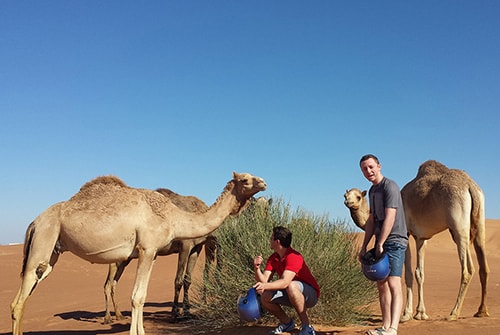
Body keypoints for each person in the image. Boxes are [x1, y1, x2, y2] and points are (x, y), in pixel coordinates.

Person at [358, 154, 408, 335]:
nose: (368, 171)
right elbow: (372, 220)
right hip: (381, 241)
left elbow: (390, 216)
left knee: (394, 283)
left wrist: (380, 242)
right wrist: (364, 246)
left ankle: (393, 329)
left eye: (371, 167)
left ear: (379, 166)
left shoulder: (390, 187)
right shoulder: (372, 191)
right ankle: (385, 326)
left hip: (394, 240)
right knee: (381, 284)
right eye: (364, 169)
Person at [253, 226, 320, 335]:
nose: (269, 240)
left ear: (277, 241)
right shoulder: (273, 258)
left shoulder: (294, 256)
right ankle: (287, 323)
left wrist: (264, 286)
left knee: (291, 285)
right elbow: (264, 280)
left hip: (310, 295)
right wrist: (257, 268)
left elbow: (285, 282)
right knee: (265, 295)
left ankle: (307, 327)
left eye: (271, 238)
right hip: (291, 293)